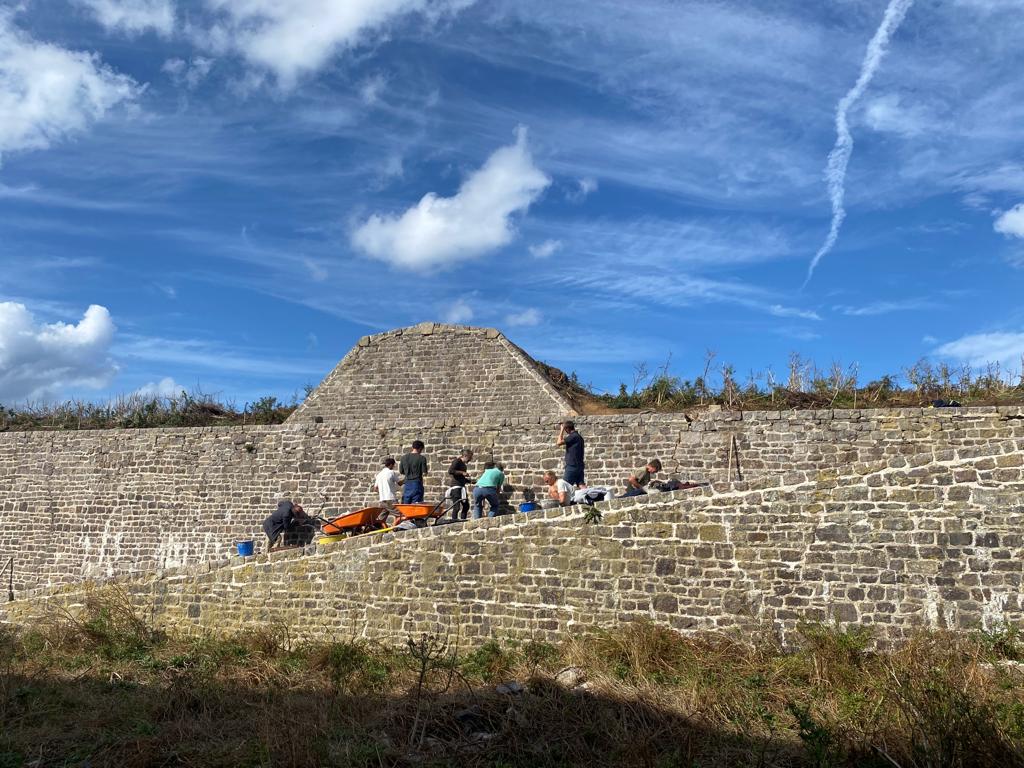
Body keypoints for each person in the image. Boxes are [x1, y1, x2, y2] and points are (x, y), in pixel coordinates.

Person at [556, 420, 585, 488]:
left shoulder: (573, 436)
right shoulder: (579, 437)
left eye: (565, 429)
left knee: (564, 486)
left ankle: (564, 499)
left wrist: (561, 430)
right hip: (579, 465)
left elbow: (558, 442)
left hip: (572, 466)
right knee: (581, 484)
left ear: (567, 429)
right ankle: (589, 498)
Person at [447, 448, 474, 520]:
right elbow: (451, 471)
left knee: (466, 506)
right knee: (456, 507)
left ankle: (463, 520)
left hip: (462, 487)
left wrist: (470, 481)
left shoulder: (463, 465)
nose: (470, 459)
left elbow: (461, 478)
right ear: (465, 456)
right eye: (470, 458)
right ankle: (454, 521)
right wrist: (462, 472)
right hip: (455, 487)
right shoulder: (457, 461)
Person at [373, 457, 401, 523]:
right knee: (400, 515)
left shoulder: (379, 474)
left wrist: (383, 491)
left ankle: (377, 528)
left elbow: (375, 489)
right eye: (393, 465)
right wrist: (406, 479)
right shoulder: (391, 472)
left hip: (382, 500)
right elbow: (399, 483)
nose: (394, 466)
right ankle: (397, 529)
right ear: (391, 464)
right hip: (391, 499)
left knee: (381, 519)